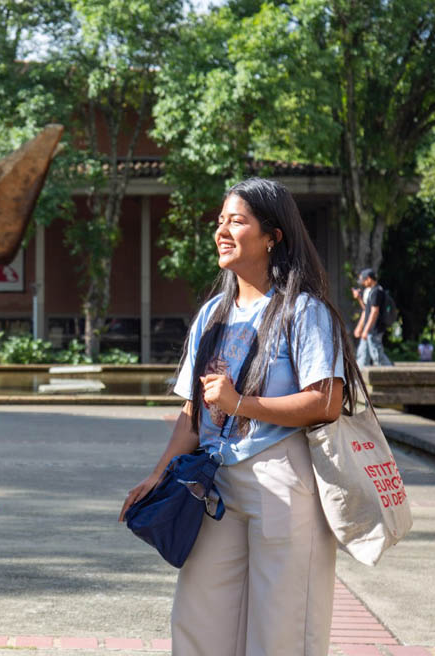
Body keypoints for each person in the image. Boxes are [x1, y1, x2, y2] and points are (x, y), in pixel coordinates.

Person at [120, 177, 361, 656]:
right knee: (199, 618)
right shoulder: (212, 314)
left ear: (273, 236)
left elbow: (326, 402)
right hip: (215, 483)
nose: (222, 231)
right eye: (220, 221)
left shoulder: (303, 311)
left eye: (237, 220)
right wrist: (158, 474)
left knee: (282, 627)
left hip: (282, 476)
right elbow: (193, 411)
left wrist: (239, 404)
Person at [351, 268, 393, 367]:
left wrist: (366, 330)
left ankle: (391, 374)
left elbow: (374, 312)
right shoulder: (371, 292)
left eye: (364, 280)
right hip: (369, 330)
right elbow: (366, 310)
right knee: (362, 355)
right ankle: (359, 379)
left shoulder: (376, 292)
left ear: (369, 279)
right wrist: (359, 299)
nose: (363, 283)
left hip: (374, 329)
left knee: (377, 355)